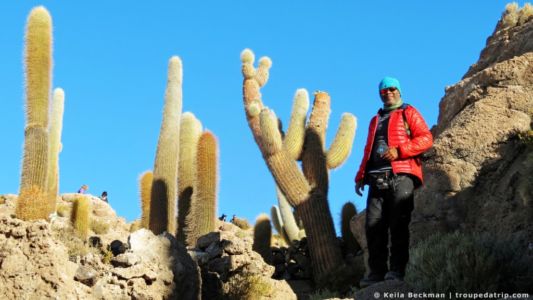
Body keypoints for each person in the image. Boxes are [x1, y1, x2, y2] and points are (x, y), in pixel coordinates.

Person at [355, 77, 433, 287]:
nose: (388, 93)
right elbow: (368, 149)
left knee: (398, 224)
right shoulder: (375, 119)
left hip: (401, 174)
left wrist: (399, 151)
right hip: (375, 178)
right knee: (373, 227)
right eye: (384, 90)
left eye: (392, 89)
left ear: (399, 91)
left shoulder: (409, 112)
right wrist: (361, 175)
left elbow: (426, 138)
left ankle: (397, 271)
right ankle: (376, 274)